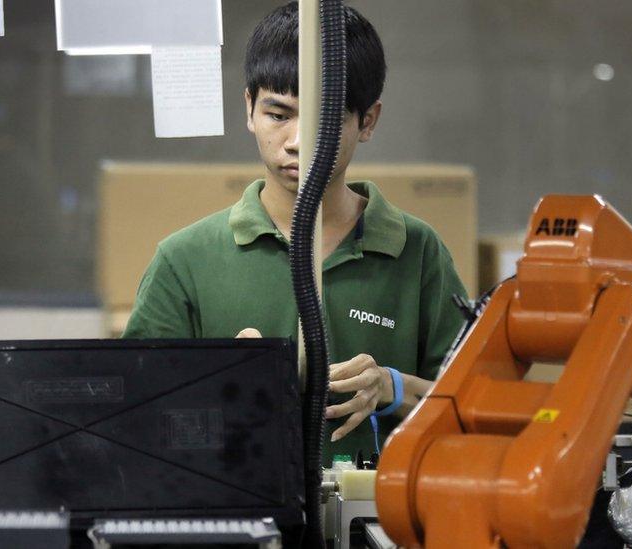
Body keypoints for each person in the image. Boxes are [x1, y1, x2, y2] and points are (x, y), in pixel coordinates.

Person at [123, 1, 466, 462]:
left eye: (324, 118)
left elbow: (477, 407)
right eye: (278, 114)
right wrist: (216, 380)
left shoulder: (418, 252)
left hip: (376, 525)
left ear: (367, 121)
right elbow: (130, 417)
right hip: (243, 523)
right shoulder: (186, 260)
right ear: (249, 109)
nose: (298, 141)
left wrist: (391, 386)